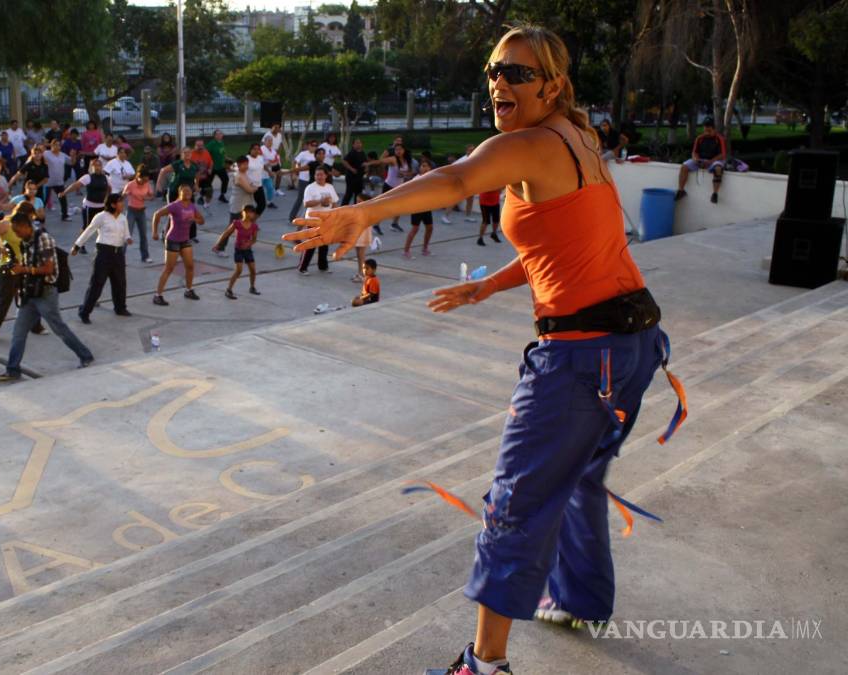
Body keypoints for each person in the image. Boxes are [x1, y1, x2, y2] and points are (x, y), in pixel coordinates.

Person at [284, 24, 686, 675]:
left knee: (514, 504)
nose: (500, 81)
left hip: (583, 359)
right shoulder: (578, 137)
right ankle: (580, 598)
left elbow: (455, 179)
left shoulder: (527, 144)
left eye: (517, 73)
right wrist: (487, 287)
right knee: (579, 478)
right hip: (635, 345)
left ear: (552, 85)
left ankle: (484, 665)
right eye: (494, 70)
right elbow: (564, 245)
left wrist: (365, 212)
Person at [0, 212, 93, 380]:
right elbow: (28, 264)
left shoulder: (43, 239)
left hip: (46, 293)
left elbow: (48, 268)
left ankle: (85, 355)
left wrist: (24, 269)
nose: (16, 234)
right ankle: (13, 369)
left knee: (59, 328)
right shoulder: (25, 241)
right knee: (18, 332)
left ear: (25, 226)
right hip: (30, 294)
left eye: (17, 230)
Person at [0, 202, 45, 343]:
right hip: (8, 268)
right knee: (5, 301)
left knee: (31, 296)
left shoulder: (27, 226)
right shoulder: (6, 224)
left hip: (25, 267)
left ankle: (36, 326)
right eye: (30, 217)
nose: (31, 220)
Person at [73, 193, 133, 323]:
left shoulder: (123, 218)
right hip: (104, 253)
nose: (122, 204)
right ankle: (84, 312)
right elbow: (89, 230)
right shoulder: (101, 217)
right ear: (113, 204)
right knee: (97, 283)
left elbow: (126, 234)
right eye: (120, 202)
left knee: (120, 282)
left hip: (118, 253)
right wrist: (77, 246)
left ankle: (120, 308)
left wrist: (128, 239)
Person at [150, 183, 204, 305]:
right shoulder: (175, 206)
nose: (187, 193)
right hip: (173, 239)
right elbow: (157, 214)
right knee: (169, 268)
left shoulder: (192, 206)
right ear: (180, 193)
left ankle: (189, 290)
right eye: (185, 191)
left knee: (190, 266)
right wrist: (154, 232)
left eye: (189, 191)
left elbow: (202, 220)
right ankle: (158, 295)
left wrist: (195, 219)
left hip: (185, 240)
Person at [59, 158, 110, 254]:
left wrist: (107, 199)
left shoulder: (106, 178)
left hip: (102, 207)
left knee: (103, 227)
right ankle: (80, 245)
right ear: (91, 167)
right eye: (95, 165)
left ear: (102, 167)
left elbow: (109, 189)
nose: (97, 167)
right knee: (87, 227)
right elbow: (75, 185)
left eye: (99, 165)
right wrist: (64, 192)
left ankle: (102, 246)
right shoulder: (88, 177)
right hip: (89, 207)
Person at [675, 117, 727, 204]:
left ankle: (715, 194)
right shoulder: (699, 138)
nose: (707, 132)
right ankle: (681, 190)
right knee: (684, 166)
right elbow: (694, 152)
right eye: (705, 129)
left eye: (709, 130)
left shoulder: (719, 138)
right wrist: (696, 159)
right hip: (701, 160)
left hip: (714, 161)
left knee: (718, 169)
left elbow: (722, 155)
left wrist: (710, 162)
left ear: (713, 129)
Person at [298, 166, 337, 275]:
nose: (319, 177)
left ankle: (323, 266)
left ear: (326, 175)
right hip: (313, 220)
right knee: (311, 244)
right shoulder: (310, 188)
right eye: (317, 175)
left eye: (321, 174)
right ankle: (303, 267)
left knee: (324, 244)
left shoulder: (330, 187)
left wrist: (334, 215)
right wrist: (320, 201)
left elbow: (334, 202)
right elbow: (306, 203)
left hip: (326, 220)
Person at [215, 204, 260, 299]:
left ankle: (252, 287)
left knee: (253, 270)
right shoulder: (237, 223)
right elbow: (226, 233)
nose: (250, 214)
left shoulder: (254, 226)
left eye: (252, 212)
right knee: (239, 270)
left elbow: (254, 239)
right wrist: (218, 244)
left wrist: (249, 243)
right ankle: (229, 290)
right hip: (238, 250)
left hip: (248, 250)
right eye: (248, 212)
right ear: (244, 212)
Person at [122, 164, 155, 263]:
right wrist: (124, 195)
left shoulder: (147, 184)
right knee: (127, 234)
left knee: (143, 234)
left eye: (146, 180)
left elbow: (152, 196)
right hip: (131, 210)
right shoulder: (130, 185)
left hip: (141, 211)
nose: (144, 182)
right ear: (138, 176)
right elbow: (122, 197)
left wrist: (146, 198)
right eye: (143, 180)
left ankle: (145, 256)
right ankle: (120, 257)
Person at [287, 139, 320, 222]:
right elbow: (295, 162)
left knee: (313, 199)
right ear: (309, 146)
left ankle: (309, 216)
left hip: (313, 180)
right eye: (312, 145)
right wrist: (295, 172)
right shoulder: (303, 154)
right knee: (300, 198)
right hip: (303, 179)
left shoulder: (317, 155)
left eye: (316, 145)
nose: (314, 147)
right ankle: (292, 217)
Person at [42, 139, 70, 221]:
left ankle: (64, 216)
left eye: (58, 145)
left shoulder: (63, 155)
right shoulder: (46, 153)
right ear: (51, 145)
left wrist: (74, 155)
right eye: (55, 145)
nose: (57, 146)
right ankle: (38, 218)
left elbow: (71, 162)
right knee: (44, 201)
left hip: (59, 182)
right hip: (48, 182)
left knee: (63, 199)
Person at [340, 138, 368, 206]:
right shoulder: (352, 153)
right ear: (353, 145)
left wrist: (366, 168)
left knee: (358, 194)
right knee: (349, 194)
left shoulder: (362, 153)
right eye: (357, 143)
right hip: (351, 177)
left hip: (360, 177)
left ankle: (356, 207)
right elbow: (344, 161)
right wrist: (351, 169)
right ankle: (342, 208)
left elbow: (365, 162)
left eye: (360, 143)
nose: (358, 144)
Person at [206, 130, 230, 203]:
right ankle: (206, 196)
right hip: (212, 167)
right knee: (208, 183)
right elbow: (206, 154)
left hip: (220, 166)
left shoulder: (221, 143)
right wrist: (209, 165)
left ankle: (222, 195)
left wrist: (227, 158)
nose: (219, 135)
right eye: (217, 134)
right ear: (214, 136)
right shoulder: (211, 144)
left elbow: (223, 152)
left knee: (225, 179)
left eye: (221, 134)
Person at [190, 139, 214, 206]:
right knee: (190, 194)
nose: (200, 147)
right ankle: (191, 206)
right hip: (193, 178)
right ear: (195, 146)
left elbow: (211, 162)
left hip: (204, 177)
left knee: (209, 191)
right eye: (198, 145)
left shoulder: (206, 153)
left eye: (201, 145)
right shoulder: (191, 154)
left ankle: (206, 204)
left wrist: (210, 169)